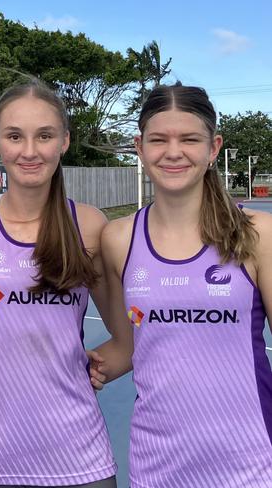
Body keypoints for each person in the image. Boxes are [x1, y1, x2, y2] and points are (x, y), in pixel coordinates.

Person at [93, 84, 272, 487]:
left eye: (189, 139)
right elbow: (127, 346)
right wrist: (67, 368)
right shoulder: (119, 239)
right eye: (159, 139)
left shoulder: (258, 234)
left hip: (252, 466)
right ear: (140, 147)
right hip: (156, 468)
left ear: (213, 148)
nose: (173, 152)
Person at [0, 79, 117, 487]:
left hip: (80, 459)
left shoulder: (90, 225)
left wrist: (94, 367)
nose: (29, 151)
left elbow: (128, 337)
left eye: (44, 136)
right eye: (14, 136)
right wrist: (0, 338)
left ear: (64, 141)